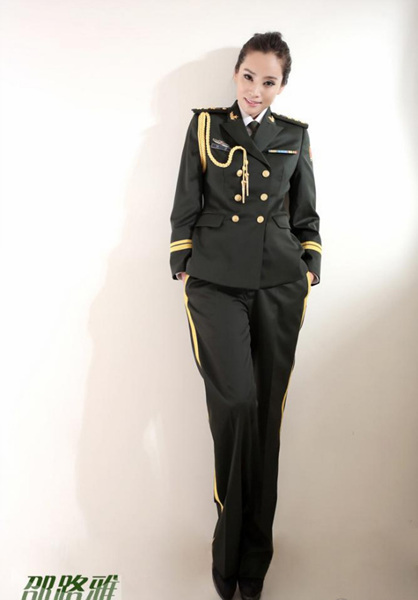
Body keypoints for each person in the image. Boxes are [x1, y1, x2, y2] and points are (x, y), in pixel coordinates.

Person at [169, 31, 321, 600]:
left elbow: (306, 215)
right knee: (236, 404)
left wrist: (309, 266)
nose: (256, 90)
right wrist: (183, 262)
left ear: (282, 86)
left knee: (265, 419)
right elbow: (186, 201)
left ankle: (253, 563)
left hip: (279, 283)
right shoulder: (206, 127)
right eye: (249, 76)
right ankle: (226, 551)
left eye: (269, 81)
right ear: (236, 73)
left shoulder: (294, 136)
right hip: (215, 283)